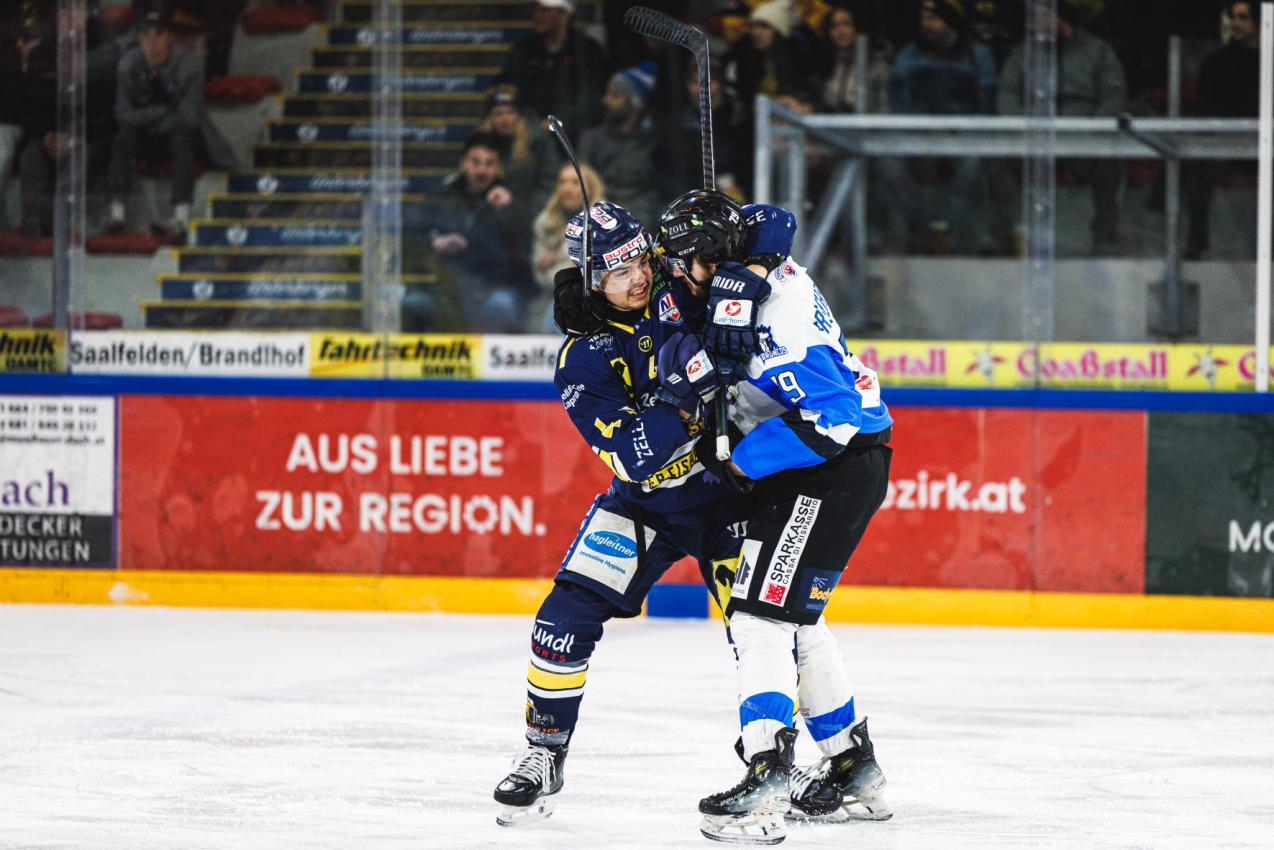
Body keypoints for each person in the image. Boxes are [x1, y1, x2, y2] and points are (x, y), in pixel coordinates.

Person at [492, 199, 758, 826]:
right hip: (643, 505)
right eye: (618, 271)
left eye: (640, 259)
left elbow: (763, 236)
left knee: (763, 633)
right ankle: (542, 752)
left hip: (726, 494)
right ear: (592, 280)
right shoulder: (581, 359)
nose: (638, 276)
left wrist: (727, 256)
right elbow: (635, 456)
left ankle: (774, 760)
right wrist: (688, 387)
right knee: (559, 623)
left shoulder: (679, 283)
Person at [657, 195, 895, 844]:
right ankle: (854, 770)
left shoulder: (774, 311)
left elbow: (835, 414)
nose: (674, 273)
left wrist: (739, 458)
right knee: (795, 620)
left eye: (685, 262)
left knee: (759, 615)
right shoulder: (751, 268)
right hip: (836, 464)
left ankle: (767, 775)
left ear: (712, 260)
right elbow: (767, 218)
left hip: (833, 465)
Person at [995, 0, 1127, 255]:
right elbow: (1006, 96)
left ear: (1060, 18)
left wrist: (1092, 130)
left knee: (1111, 161)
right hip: (1035, 139)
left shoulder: (1099, 52)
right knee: (999, 159)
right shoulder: (1023, 54)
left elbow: (1114, 96)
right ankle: (1004, 235)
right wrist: (1027, 126)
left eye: (1039, 15)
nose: (1032, 22)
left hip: (1084, 139)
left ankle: (1104, 236)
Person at [108, 6, 237, 243]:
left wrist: (146, 119)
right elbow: (122, 115)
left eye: (159, 33)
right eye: (146, 34)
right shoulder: (128, 66)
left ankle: (180, 215)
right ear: (139, 38)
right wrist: (162, 111)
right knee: (123, 137)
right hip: (149, 136)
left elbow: (188, 118)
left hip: (182, 136)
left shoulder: (190, 67)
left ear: (170, 37)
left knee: (181, 137)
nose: (152, 41)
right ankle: (117, 212)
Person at [885, 0, 996, 253]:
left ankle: (952, 236)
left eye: (933, 18)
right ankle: (920, 229)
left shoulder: (977, 54)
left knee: (972, 163)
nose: (926, 24)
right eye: (923, 18)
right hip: (916, 137)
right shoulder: (910, 53)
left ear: (951, 21)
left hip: (963, 138)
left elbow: (985, 106)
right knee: (888, 161)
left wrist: (957, 137)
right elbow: (897, 103)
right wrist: (919, 139)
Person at [422, 131, 531, 332]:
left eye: (489, 164)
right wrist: (435, 242)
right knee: (417, 302)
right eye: (475, 162)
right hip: (448, 284)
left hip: (495, 285)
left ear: (498, 168)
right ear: (463, 163)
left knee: (503, 305)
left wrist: (508, 209)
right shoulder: (441, 196)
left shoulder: (512, 199)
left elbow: (526, 241)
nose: (482, 170)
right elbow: (416, 233)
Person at [1186, 0, 1260, 259]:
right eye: (1233, 17)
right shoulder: (1217, 62)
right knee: (1195, 164)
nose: (1236, 23)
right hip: (1226, 143)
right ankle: (1197, 238)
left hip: (1264, 144)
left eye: (1243, 17)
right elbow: (1206, 108)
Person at [496, 0, 606, 142]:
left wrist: (558, 122)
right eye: (536, 10)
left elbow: (591, 101)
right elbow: (505, 88)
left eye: (545, 11)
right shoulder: (523, 51)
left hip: (573, 139)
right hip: (527, 137)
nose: (537, 16)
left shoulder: (587, 52)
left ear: (565, 14)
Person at [578, 62, 662, 227]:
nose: (606, 100)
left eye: (615, 95)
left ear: (634, 103)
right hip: (598, 215)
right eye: (607, 94)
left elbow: (656, 191)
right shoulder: (591, 139)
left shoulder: (651, 141)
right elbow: (584, 186)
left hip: (642, 219)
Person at [476, 84, 561, 236]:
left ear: (519, 115)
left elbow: (549, 184)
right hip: (490, 217)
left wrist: (525, 212)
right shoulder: (480, 144)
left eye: (510, 112)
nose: (504, 119)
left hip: (531, 217)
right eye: (498, 113)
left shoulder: (538, 140)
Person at [530, 161, 605, 330]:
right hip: (549, 296)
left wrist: (557, 259)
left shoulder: (603, 223)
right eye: (562, 182)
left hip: (596, 299)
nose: (567, 188)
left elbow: (596, 273)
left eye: (575, 182)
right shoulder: (545, 223)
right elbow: (538, 271)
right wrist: (569, 264)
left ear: (590, 189)